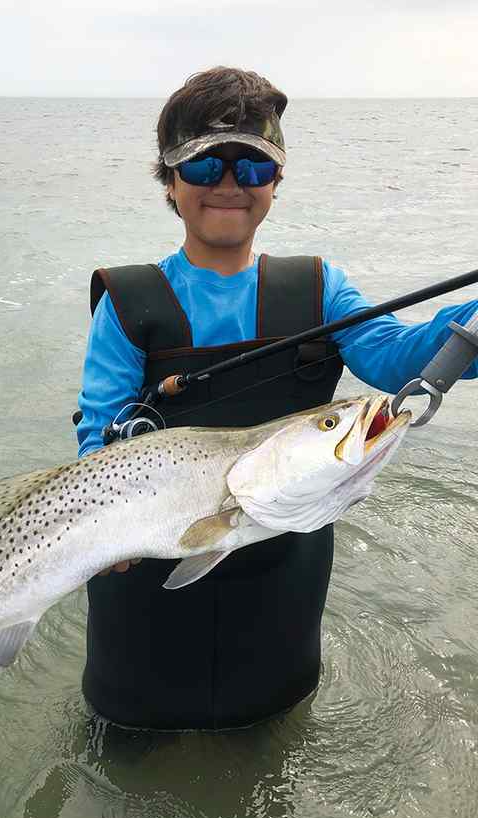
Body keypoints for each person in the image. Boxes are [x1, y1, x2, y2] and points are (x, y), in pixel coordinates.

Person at [75, 66, 478, 731]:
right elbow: (98, 434)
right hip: (144, 600)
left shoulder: (319, 288)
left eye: (252, 166)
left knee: (267, 776)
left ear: (277, 181)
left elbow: (400, 356)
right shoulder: (126, 302)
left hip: (279, 599)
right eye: (205, 166)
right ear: (170, 180)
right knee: (123, 770)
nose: (229, 184)